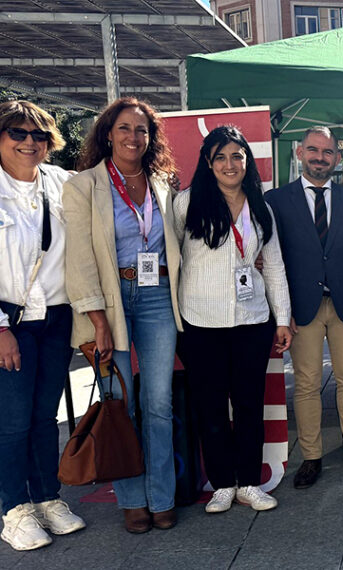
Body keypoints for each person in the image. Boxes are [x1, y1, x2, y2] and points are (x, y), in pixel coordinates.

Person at [63, 97, 182, 533]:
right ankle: (132, 499)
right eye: (125, 128)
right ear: (107, 133)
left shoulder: (163, 183)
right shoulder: (83, 186)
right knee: (120, 402)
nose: (134, 137)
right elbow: (78, 258)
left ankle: (162, 495)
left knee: (159, 403)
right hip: (110, 301)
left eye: (142, 130)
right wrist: (97, 321)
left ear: (151, 139)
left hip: (157, 299)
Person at [173, 126, 294, 513]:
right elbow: (173, 261)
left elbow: (273, 267)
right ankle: (222, 483)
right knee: (210, 407)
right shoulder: (186, 203)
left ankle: (249, 483)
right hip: (200, 321)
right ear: (208, 162)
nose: (230, 164)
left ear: (247, 161)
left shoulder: (261, 206)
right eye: (221, 157)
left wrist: (282, 319)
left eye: (237, 156)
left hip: (252, 320)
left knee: (247, 405)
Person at [264, 126, 343, 489]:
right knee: (306, 384)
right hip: (302, 310)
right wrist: (281, 312)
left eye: (327, 152)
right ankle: (312, 457)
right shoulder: (277, 200)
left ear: (336, 157)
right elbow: (273, 260)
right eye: (313, 151)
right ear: (300, 153)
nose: (320, 157)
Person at [0, 101, 86, 551]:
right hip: (8, 319)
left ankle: (47, 497)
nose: (28, 142)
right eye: (17, 132)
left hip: (55, 317)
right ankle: (13, 509)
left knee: (42, 416)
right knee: (11, 421)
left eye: (38, 135)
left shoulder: (61, 182)